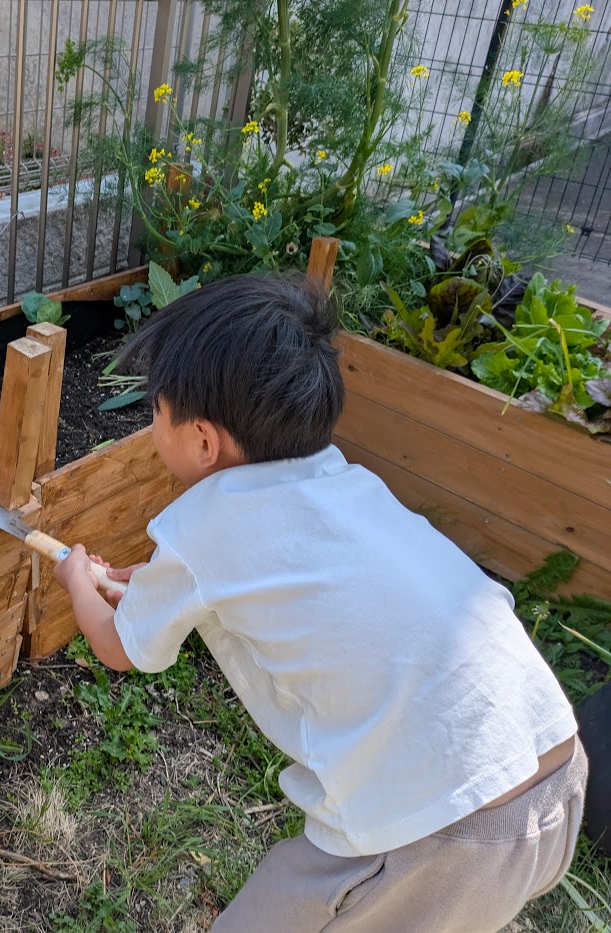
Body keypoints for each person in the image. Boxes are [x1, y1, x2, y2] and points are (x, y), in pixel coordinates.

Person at [51, 273, 587, 932]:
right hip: (550, 762)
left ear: (202, 442)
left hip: (440, 827)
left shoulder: (201, 527)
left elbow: (117, 647)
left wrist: (79, 578)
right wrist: (159, 583)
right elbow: (268, 582)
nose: (151, 419)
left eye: (155, 409)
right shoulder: (343, 479)